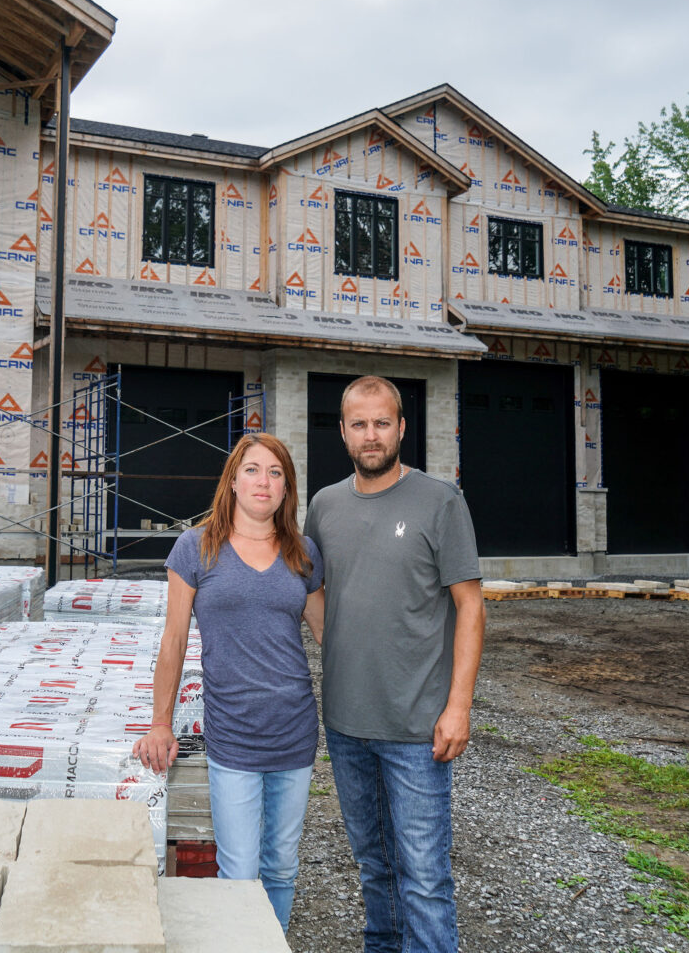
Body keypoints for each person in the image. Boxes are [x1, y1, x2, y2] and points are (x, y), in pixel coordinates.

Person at [303, 375, 484, 953]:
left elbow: (471, 607)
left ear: (402, 428)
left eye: (382, 422)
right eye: (359, 424)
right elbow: (310, 585)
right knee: (374, 868)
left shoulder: (440, 501)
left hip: (417, 728)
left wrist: (458, 707)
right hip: (347, 723)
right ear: (342, 432)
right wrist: (340, 641)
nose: (371, 435)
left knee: (425, 878)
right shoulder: (325, 506)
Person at [133, 431, 324, 932]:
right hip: (234, 736)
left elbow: (334, 637)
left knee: (281, 867)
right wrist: (160, 723)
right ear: (234, 482)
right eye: (254, 470)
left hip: (295, 733)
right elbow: (173, 641)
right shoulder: (196, 547)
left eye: (276, 472)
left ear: (287, 489)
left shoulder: (302, 553)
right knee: (239, 871)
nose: (265, 481)